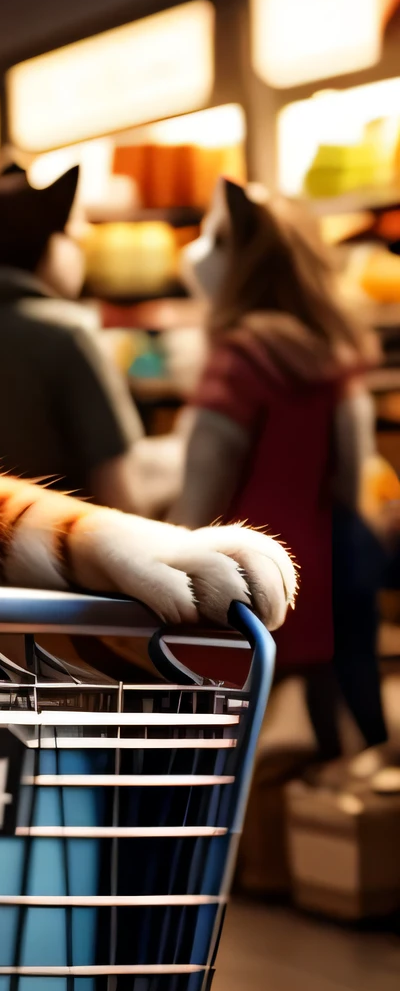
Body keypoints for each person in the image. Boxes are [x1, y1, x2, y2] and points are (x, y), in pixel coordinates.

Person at [172, 179, 388, 758]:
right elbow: (348, 473)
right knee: (337, 724)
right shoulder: (332, 360)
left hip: (245, 570)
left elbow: (202, 489)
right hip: (321, 562)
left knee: (229, 737)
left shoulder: (238, 361)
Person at [0, 164, 146, 510]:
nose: (79, 254)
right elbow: (117, 490)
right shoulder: (68, 337)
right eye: (74, 239)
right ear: (49, 243)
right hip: (56, 553)